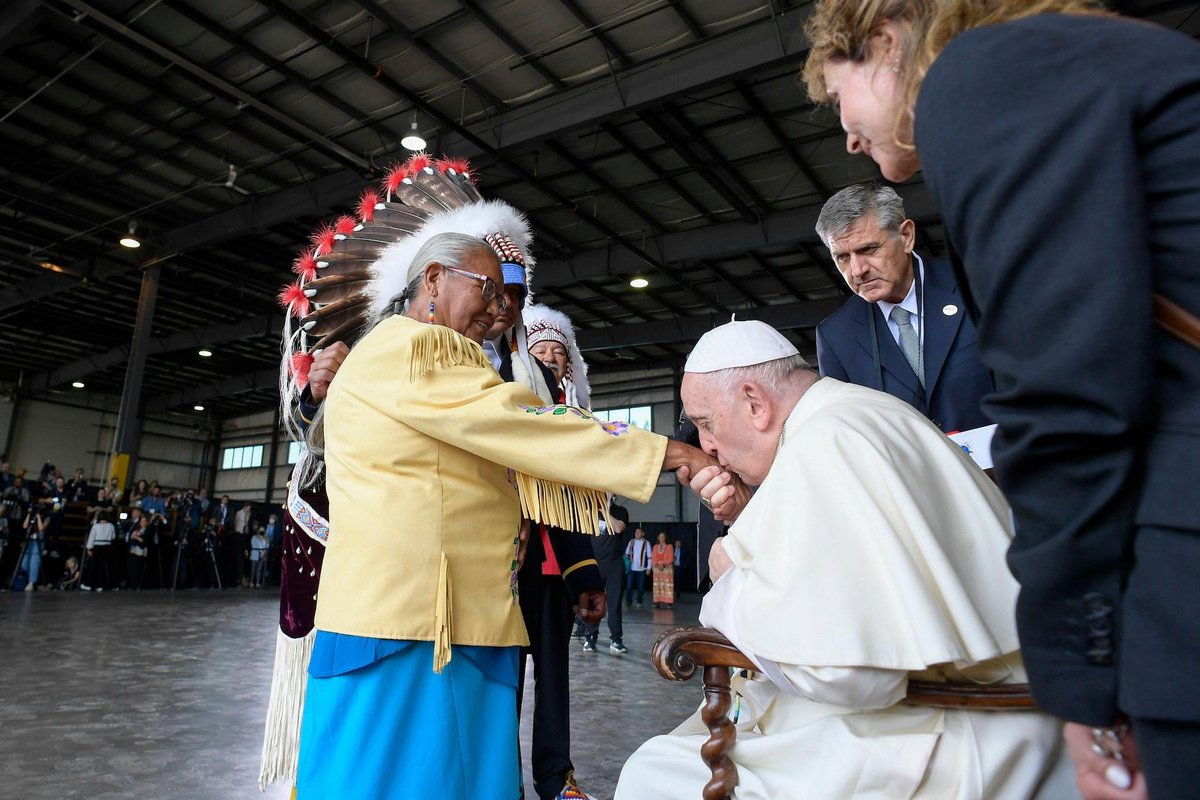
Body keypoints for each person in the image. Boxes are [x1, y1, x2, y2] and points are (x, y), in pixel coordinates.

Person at [802, 3, 1200, 797]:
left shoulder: (984, 75)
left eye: (838, 95)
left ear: (886, 44)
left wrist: (1079, 684)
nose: (845, 134)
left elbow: (1070, 400)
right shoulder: (1086, 56)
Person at [294, 228, 710, 800]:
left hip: (439, 622)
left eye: (502, 298)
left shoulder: (406, 355)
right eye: (488, 289)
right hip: (418, 631)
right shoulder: (416, 349)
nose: (496, 311)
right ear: (434, 279)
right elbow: (523, 424)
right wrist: (663, 450)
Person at [617, 319, 1071, 800]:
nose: (706, 445)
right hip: (964, 708)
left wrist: (729, 574)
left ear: (754, 403)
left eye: (706, 424)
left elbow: (849, 674)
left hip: (949, 730)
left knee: (657, 772)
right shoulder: (856, 413)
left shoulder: (826, 443)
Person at [814, 183, 990, 433]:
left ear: (906, 236)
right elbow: (847, 432)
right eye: (842, 257)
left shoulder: (976, 286)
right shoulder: (835, 336)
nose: (857, 270)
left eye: (868, 249)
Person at [581, 502, 629, 654]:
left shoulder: (620, 511)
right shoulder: (589, 511)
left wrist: (605, 511)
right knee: (593, 603)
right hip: (594, 563)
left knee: (614, 605)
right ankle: (590, 637)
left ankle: (616, 639)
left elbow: (618, 528)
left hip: (614, 564)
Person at [81, 510, 116, 591]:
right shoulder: (111, 526)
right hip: (107, 546)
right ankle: (100, 585)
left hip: (97, 546)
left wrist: (89, 548)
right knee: (102, 566)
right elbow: (113, 537)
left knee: (93, 566)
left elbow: (91, 538)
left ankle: (89, 584)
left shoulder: (95, 526)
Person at [623, 528, 651, 608]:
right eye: (636, 532)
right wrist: (626, 564)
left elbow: (649, 556)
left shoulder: (646, 543)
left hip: (641, 569)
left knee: (640, 587)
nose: (637, 533)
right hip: (631, 568)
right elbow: (626, 553)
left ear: (643, 534)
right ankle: (628, 601)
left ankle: (639, 601)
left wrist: (649, 568)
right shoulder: (631, 542)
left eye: (639, 532)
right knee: (629, 586)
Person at [650, 532, 674, 608]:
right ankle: (656, 602)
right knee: (657, 586)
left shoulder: (669, 547)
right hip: (657, 570)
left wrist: (663, 564)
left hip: (667, 570)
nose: (661, 538)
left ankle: (669, 602)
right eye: (660, 536)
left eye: (663, 536)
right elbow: (653, 558)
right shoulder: (655, 547)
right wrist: (658, 564)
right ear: (658, 538)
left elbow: (671, 558)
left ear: (665, 538)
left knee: (667, 586)